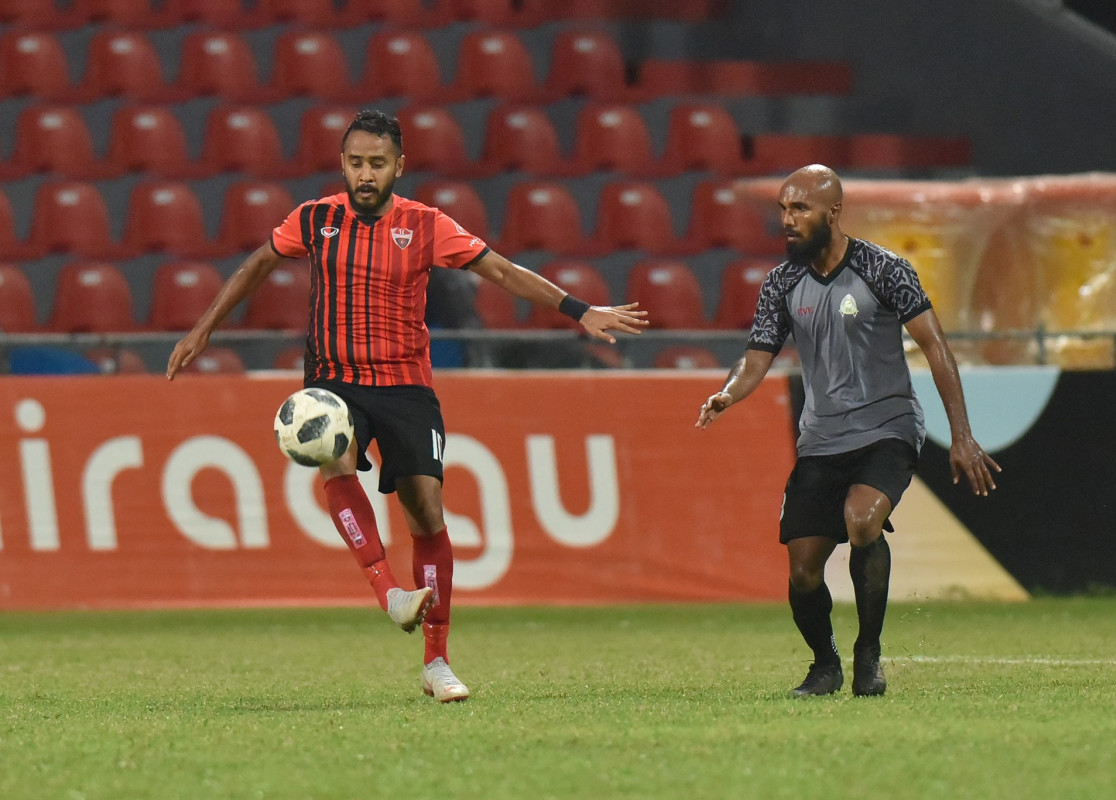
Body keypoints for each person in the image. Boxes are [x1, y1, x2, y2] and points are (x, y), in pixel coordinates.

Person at [166, 110, 648, 702]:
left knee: (426, 512)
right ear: (342, 164)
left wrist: (580, 310)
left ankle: (437, 661)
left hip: (405, 385)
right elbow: (259, 263)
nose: (364, 174)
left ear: (399, 165)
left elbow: (499, 270)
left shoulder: (426, 225)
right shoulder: (314, 219)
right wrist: (204, 329)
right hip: (333, 380)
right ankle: (389, 591)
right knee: (334, 455)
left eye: (376, 163)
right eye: (354, 162)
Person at [695, 165, 999, 698]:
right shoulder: (782, 282)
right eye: (784, 209)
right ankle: (824, 664)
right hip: (822, 439)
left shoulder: (886, 269)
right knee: (804, 569)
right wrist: (729, 393)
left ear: (832, 212)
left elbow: (935, 345)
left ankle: (868, 654)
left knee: (862, 521)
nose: (787, 220)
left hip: (887, 427)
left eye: (799, 209)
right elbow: (755, 359)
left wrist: (963, 435)